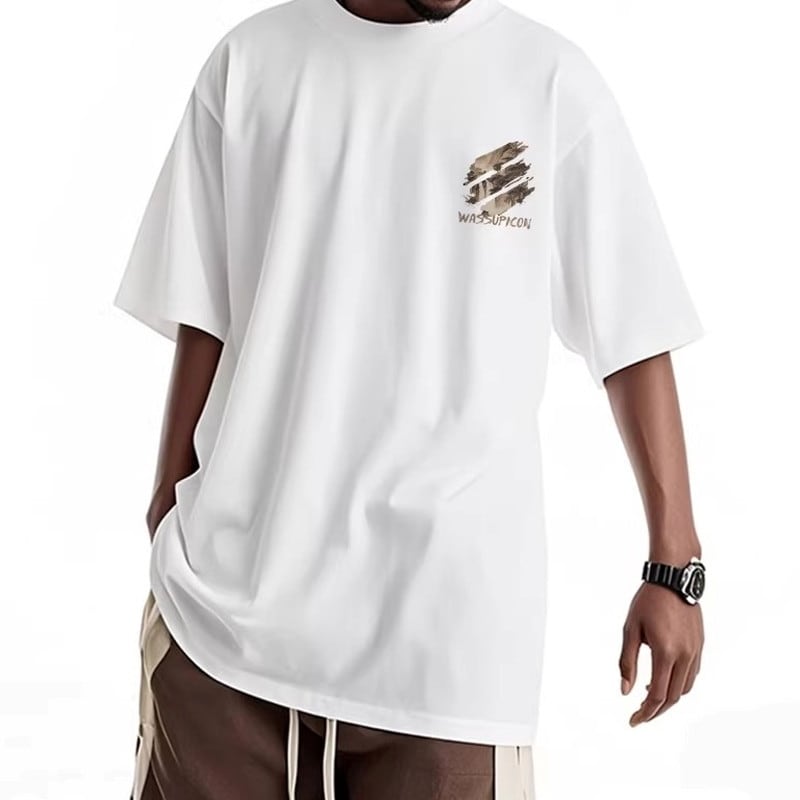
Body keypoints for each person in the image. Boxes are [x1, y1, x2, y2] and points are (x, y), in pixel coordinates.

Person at [113, 0, 707, 797]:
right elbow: (205, 305)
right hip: (222, 638)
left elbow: (631, 334)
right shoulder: (250, 62)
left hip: (447, 660)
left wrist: (675, 566)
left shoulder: (549, 82)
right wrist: (167, 505)